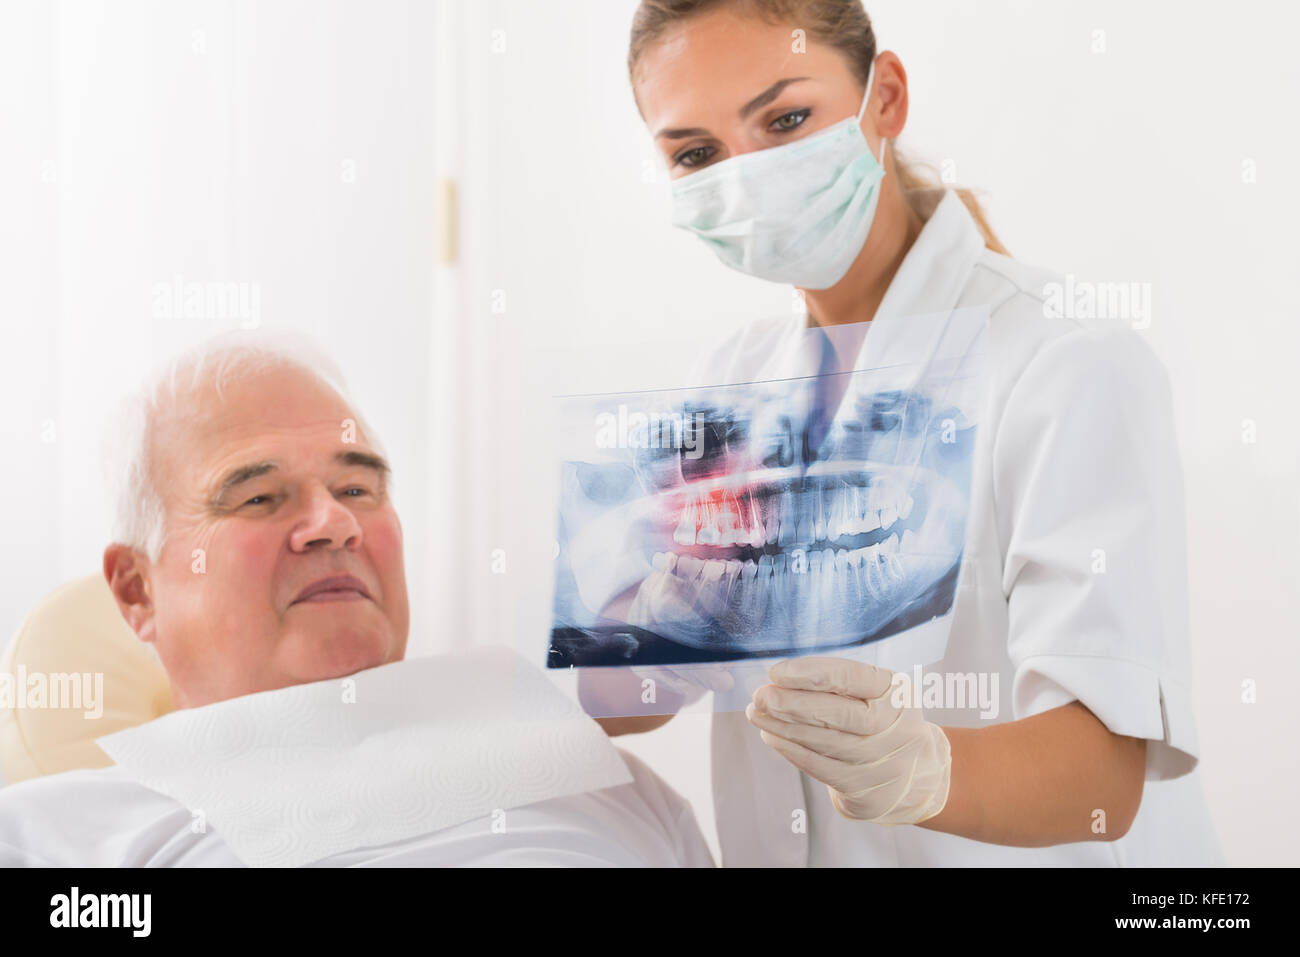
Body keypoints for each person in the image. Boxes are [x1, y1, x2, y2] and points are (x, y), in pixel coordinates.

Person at [593, 0, 1222, 867]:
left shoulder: (1064, 362)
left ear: (884, 97)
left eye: (785, 119)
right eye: (697, 154)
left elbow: (1104, 779)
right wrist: (668, 628)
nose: (748, 177)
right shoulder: (728, 386)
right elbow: (609, 698)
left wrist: (923, 768)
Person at [0, 333, 712, 867]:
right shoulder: (61, 839)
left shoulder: (591, 775)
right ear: (137, 588)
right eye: (258, 496)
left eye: (356, 490)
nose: (334, 523)